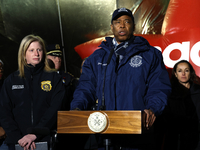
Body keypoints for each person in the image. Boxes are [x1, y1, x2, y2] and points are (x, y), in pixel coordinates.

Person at [71, 8, 171, 149]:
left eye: (127, 21)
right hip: (104, 135)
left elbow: (158, 87)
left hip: (138, 132)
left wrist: (152, 109)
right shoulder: (97, 58)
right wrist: (77, 107)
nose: (122, 25)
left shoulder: (150, 54)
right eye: (118, 22)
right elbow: (86, 87)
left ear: (133, 26)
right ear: (112, 27)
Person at [0, 35, 65, 150]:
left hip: (45, 140)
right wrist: (18, 138)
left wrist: (36, 134)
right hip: (16, 142)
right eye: (31, 50)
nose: (36, 54)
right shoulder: (11, 80)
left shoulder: (54, 78)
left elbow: (55, 109)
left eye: (39, 50)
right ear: (24, 54)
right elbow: (4, 111)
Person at [162, 60, 200, 150]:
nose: (183, 73)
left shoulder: (199, 91)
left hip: (197, 139)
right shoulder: (168, 93)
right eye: (180, 71)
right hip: (175, 140)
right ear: (175, 74)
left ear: (191, 72)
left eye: (186, 70)